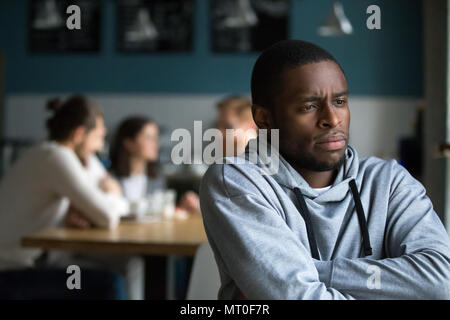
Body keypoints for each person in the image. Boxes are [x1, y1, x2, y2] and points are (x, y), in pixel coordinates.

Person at [199, 40, 450, 299]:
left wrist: (313, 271)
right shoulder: (237, 180)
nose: (332, 118)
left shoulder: (389, 181)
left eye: (340, 101)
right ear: (264, 119)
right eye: (309, 106)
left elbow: (440, 281)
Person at [0, 95, 130, 298]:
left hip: (38, 263)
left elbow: (111, 204)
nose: (99, 147)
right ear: (79, 134)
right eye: (98, 139)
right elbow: (108, 215)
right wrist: (113, 195)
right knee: (108, 283)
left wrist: (106, 200)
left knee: (120, 268)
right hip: (12, 273)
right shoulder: (55, 157)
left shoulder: (67, 155)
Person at [109, 116, 200, 214]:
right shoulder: (110, 180)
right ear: (129, 143)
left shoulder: (157, 180)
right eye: (149, 138)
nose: (156, 144)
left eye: (156, 138)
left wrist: (181, 208)